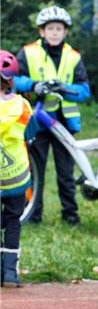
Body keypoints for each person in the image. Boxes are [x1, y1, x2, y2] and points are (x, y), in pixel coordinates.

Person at [13, 6, 90, 225]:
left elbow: (85, 90)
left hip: (64, 123)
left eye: (59, 28)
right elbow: (14, 80)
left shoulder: (73, 57)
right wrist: (34, 85)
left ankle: (70, 214)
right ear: (42, 31)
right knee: (34, 171)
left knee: (65, 172)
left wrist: (65, 88)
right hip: (38, 121)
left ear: (65, 32)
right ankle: (33, 214)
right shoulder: (28, 53)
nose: (55, 32)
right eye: (50, 28)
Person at [1, 50, 33, 287]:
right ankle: (10, 273)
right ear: (11, 80)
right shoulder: (23, 106)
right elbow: (30, 133)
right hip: (16, 176)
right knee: (13, 220)